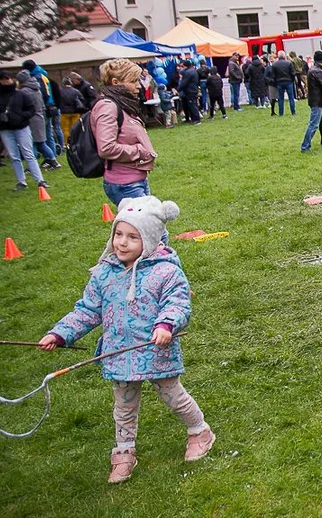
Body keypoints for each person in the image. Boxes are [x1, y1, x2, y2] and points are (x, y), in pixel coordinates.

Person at [38, 196, 214, 483]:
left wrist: (166, 325)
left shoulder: (166, 271)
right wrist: (60, 334)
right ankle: (123, 451)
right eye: (118, 234)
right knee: (124, 407)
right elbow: (87, 310)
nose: (122, 242)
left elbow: (177, 303)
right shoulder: (104, 273)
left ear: (150, 238)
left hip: (156, 350)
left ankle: (199, 431)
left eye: (132, 237)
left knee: (173, 397)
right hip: (119, 352)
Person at [92, 59, 160, 206]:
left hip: (135, 178)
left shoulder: (123, 103)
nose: (138, 86)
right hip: (125, 183)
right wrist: (139, 151)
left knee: (148, 227)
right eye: (133, 81)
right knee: (153, 226)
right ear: (116, 82)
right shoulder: (108, 107)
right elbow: (106, 148)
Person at [0, 70, 48, 191]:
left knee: (29, 153)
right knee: (13, 156)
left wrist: (21, 116)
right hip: (5, 129)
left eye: (8, 78)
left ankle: (40, 180)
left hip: (22, 127)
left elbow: (31, 109)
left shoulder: (20, 95)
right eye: (3, 79)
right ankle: (21, 181)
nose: (6, 81)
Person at [15, 70, 61, 169]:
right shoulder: (37, 88)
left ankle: (37, 164)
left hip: (32, 119)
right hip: (40, 116)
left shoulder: (25, 91)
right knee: (41, 142)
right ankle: (51, 160)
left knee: (35, 143)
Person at [301, 51, 322, 153]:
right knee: (314, 125)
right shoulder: (317, 72)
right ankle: (305, 147)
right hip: (318, 102)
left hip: (320, 102)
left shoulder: (316, 70)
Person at [58, 76, 87, 143]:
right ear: (70, 83)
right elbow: (82, 100)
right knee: (75, 128)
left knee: (65, 129)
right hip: (75, 112)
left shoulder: (60, 91)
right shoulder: (76, 91)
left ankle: (67, 143)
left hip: (64, 113)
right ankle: (76, 142)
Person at [271, 50, 297, 116]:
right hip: (288, 81)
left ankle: (281, 113)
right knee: (291, 98)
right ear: (284, 56)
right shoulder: (289, 63)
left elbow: (273, 75)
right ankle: (293, 112)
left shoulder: (274, 64)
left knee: (280, 98)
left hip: (279, 82)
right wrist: (292, 80)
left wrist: (276, 81)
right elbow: (293, 73)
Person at [177, 59, 202, 124]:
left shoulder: (188, 72)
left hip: (190, 90)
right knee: (193, 104)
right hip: (194, 89)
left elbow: (184, 82)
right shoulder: (194, 71)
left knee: (192, 105)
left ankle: (197, 119)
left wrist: (178, 89)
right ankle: (194, 119)